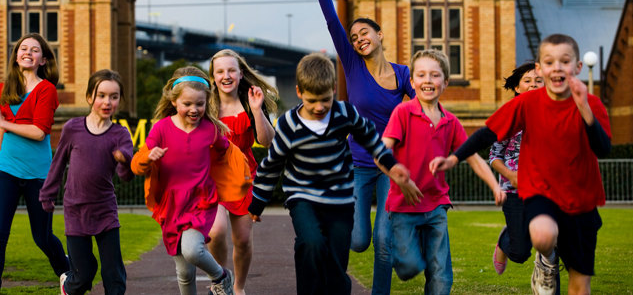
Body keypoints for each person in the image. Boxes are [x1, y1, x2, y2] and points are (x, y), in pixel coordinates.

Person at [430, 34, 611, 295]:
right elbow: (488, 134)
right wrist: (454, 157)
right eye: (549, 62)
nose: (557, 67)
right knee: (542, 235)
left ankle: (550, 264)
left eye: (565, 61)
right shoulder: (526, 103)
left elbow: (602, 149)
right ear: (540, 68)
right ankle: (546, 262)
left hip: (581, 200)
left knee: (580, 284)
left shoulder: (591, 104)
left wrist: (584, 111)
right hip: (540, 191)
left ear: (577, 67)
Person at [291, 0, 415, 294]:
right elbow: (332, 21)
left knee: (383, 240)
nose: (359, 38)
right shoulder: (351, 63)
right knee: (359, 240)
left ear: (380, 35)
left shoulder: (404, 75)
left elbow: (422, 110)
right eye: (355, 36)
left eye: (365, 33)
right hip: (358, 165)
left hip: (390, 165)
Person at [247, 53, 418, 295]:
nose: (319, 107)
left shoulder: (344, 114)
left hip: (340, 200)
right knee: (312, 243)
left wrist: (391, 165)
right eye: (312, 101)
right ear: (299, 92)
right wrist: (257, 203)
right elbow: (272, 164)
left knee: (336, 262)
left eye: (325, 100)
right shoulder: (287, 124)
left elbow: (371, 138)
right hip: (303, 197)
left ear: (334, 90)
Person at [382, 49, 504, 295]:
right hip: (403, 206)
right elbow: (381, 151)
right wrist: (397, 176)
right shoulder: (403, 113)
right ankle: (405, 255)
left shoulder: (451, 122)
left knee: (441, 275)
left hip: (437, 206)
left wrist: (495, 186)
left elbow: (474, 159)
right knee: (409, 267)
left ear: (445, 82)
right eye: (422, 75)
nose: (428, 80)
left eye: (435, 75)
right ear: (413, 82)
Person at [130, 66, 239, 295]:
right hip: (170, 207)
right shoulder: (161, 129)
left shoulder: (210, 130)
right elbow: (137, 163)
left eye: (199, 104)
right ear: (174, 102)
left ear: (206, 102)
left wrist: (239, 180)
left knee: (192, 251)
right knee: (184, 272)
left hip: (200, 203)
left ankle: (221, 276)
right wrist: (148, 158)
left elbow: (227, 154)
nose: (194, 109)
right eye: (187, 104)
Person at [0, 32, 69, 294]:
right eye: (23, 48)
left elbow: (39, 132)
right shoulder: (3, 88)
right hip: (6, 169)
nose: (27, 52)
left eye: (34, 49)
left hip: (38, 173)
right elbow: (5, 117)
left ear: (43, 59)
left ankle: (68, 273)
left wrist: (2, 123)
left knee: (42, 237)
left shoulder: (47, 90)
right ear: (16, 55)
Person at [40, 69, 135, 295]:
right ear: (89, 97)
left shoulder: (121, 134)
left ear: (120, 100)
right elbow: (59, 162)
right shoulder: (73, 128)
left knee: (114, 276)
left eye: (114, 96)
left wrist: (124, 160)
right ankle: (67, 286)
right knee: (83, 276)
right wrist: (47, 193)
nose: (107, 101)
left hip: (105, 211)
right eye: (101, 95)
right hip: (76, 209)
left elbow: (126, 176)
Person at [207, 49, 278, 295]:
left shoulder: (251, 101)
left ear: (240, 73)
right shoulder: (206, 103)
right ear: (213, 76)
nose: (226, 76)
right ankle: (220, 280)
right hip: (212, 177)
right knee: (215, 232)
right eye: (220, 71)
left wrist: (257, 111)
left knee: (243, 241)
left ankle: (238, 288)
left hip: (244, 177)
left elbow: (267, 141)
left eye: (231, 70)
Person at [489, 62, 544, 274]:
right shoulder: (508, 115)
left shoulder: (554, 114)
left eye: (538, 81)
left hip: (545, 191)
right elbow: (494, 155)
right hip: (514, 191)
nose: (533, 85)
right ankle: (506, 240)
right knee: (520, 253)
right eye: (527, 81)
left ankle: (548, 279)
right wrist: (510, 175)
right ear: (517, 87)